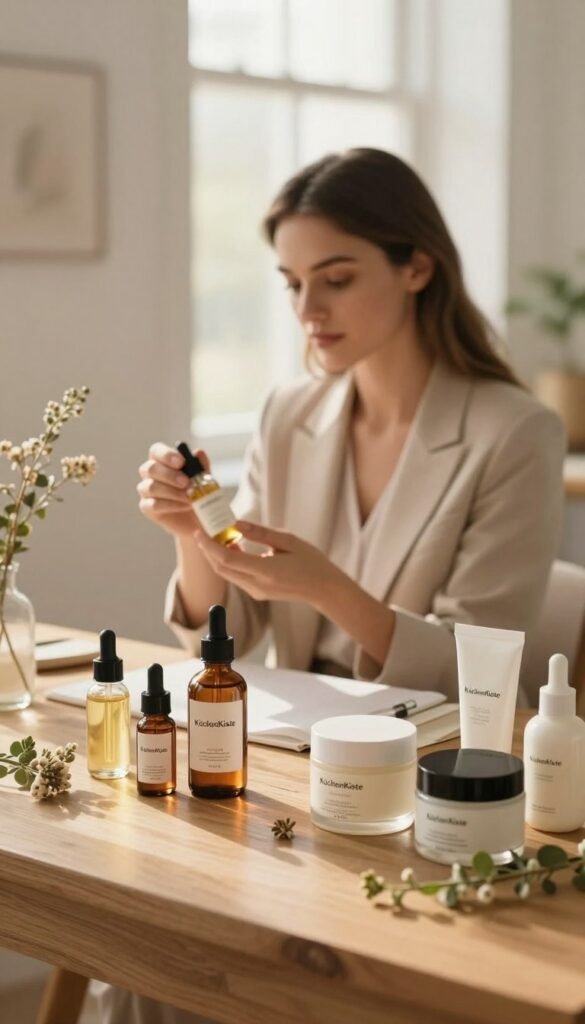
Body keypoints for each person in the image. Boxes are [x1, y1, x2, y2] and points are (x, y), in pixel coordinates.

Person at [138, 147, 565, 704]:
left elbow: (480, 674)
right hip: (301, 736)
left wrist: (327, 589)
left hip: (438, 741)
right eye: (293, 284)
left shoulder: (517, 434)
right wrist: (192, 532)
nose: (307, 310)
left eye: (336, 280)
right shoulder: (289, 415)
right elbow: (226, 638)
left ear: (417, 268)